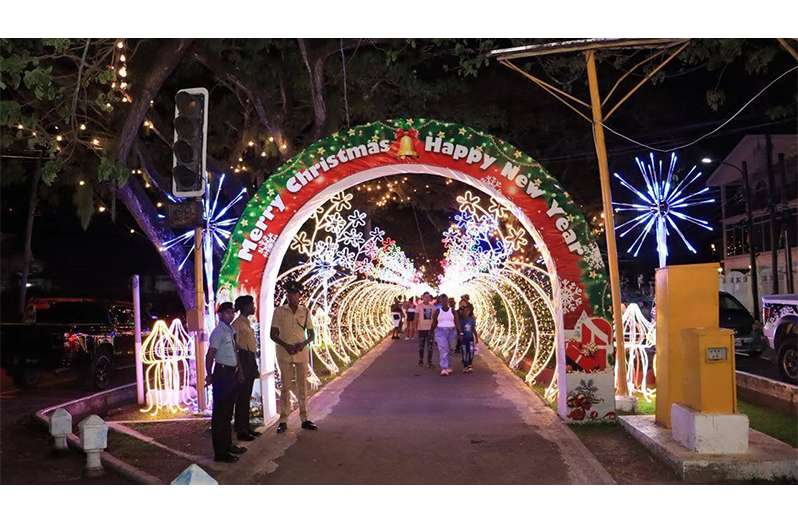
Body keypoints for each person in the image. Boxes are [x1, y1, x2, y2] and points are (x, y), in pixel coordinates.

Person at [270, 281, 317, 434]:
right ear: (287, 295)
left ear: (299, 295)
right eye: (289, 294)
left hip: (301, 353)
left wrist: (302, 344)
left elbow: (311, 335)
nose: (292, 296)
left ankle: (304, 418)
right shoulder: (279, 311)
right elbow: (273, 334)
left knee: (302, 386)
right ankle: (283, 420)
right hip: (285, 353)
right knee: (285, 387)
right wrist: (286, 345)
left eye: (295, 293)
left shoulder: (306, 311)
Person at [206, 302, 248, 463]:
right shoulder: (218, 332)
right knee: (220, 416)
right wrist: (209, 375)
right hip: (222, 374)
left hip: (231, 374)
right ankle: (220, 453)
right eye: (227, 313)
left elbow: (234, 353)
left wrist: (239, 372)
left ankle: (228, 445)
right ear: (220, 315)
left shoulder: (230, 331)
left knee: (227, 413)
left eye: (232, 312)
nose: (230, 315)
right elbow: (210, 355)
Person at [232, 296, 261, 442]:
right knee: (242, 397)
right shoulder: (237, 323)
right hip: (243, 360)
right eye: (252, 305)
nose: (254, 307)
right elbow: (235, 346)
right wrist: (240, 368)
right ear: (245, 306)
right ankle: (241, 431)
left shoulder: (246, 322)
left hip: (249, 359)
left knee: (246, 396)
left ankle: (246, 427)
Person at [431, 293, 462, 376]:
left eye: (445, 300)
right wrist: (431, 331)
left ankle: (449, 366)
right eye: (442, 300)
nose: (444, 302)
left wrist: (460, 332)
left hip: (452, 331)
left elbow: (457, 322)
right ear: (440, 301)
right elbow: (434, 323)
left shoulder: (452, 311)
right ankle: (444, 368)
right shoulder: (438, 312)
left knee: (451, 349)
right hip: (441, 331)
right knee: (444, 349)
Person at [416, 292, 436, 368]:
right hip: (421, 329)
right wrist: (415, 327)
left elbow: (434, 317)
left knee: (430, 346)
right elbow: (416, 317)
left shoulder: (432, 307)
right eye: (425, 297)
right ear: (423, 297)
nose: (427, 298)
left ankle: (429, 361)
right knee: (421, 346)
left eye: (428, 297)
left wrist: (434, 326)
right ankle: (421, 359)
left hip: (430, 329)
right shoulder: (419, 306)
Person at [459, 304, 479, 373]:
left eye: (468, 311)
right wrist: (460, 336)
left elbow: (473, 329)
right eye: (465, 311)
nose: (466, 312)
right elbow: (459, 329)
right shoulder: (461, 320)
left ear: (470, 311)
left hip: (470, 337)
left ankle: (469, 365)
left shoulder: (471, 320)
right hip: (464, 338)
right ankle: (465, 366)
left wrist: (476, 338)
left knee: (471, 351)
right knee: (464, 352)